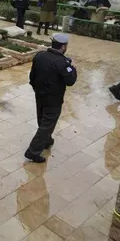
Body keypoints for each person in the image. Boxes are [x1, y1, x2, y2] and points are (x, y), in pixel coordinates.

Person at [24, 33, 77, 163]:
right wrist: (72, 67)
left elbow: (32, 75)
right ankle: (33, 151)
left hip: (40, 94)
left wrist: (35, 88)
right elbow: (71, 81)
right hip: (53, 99)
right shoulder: (62, 62)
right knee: (47, 124)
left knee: (42, 119)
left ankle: (47, 140)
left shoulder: (40, 56)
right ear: (63, 47)